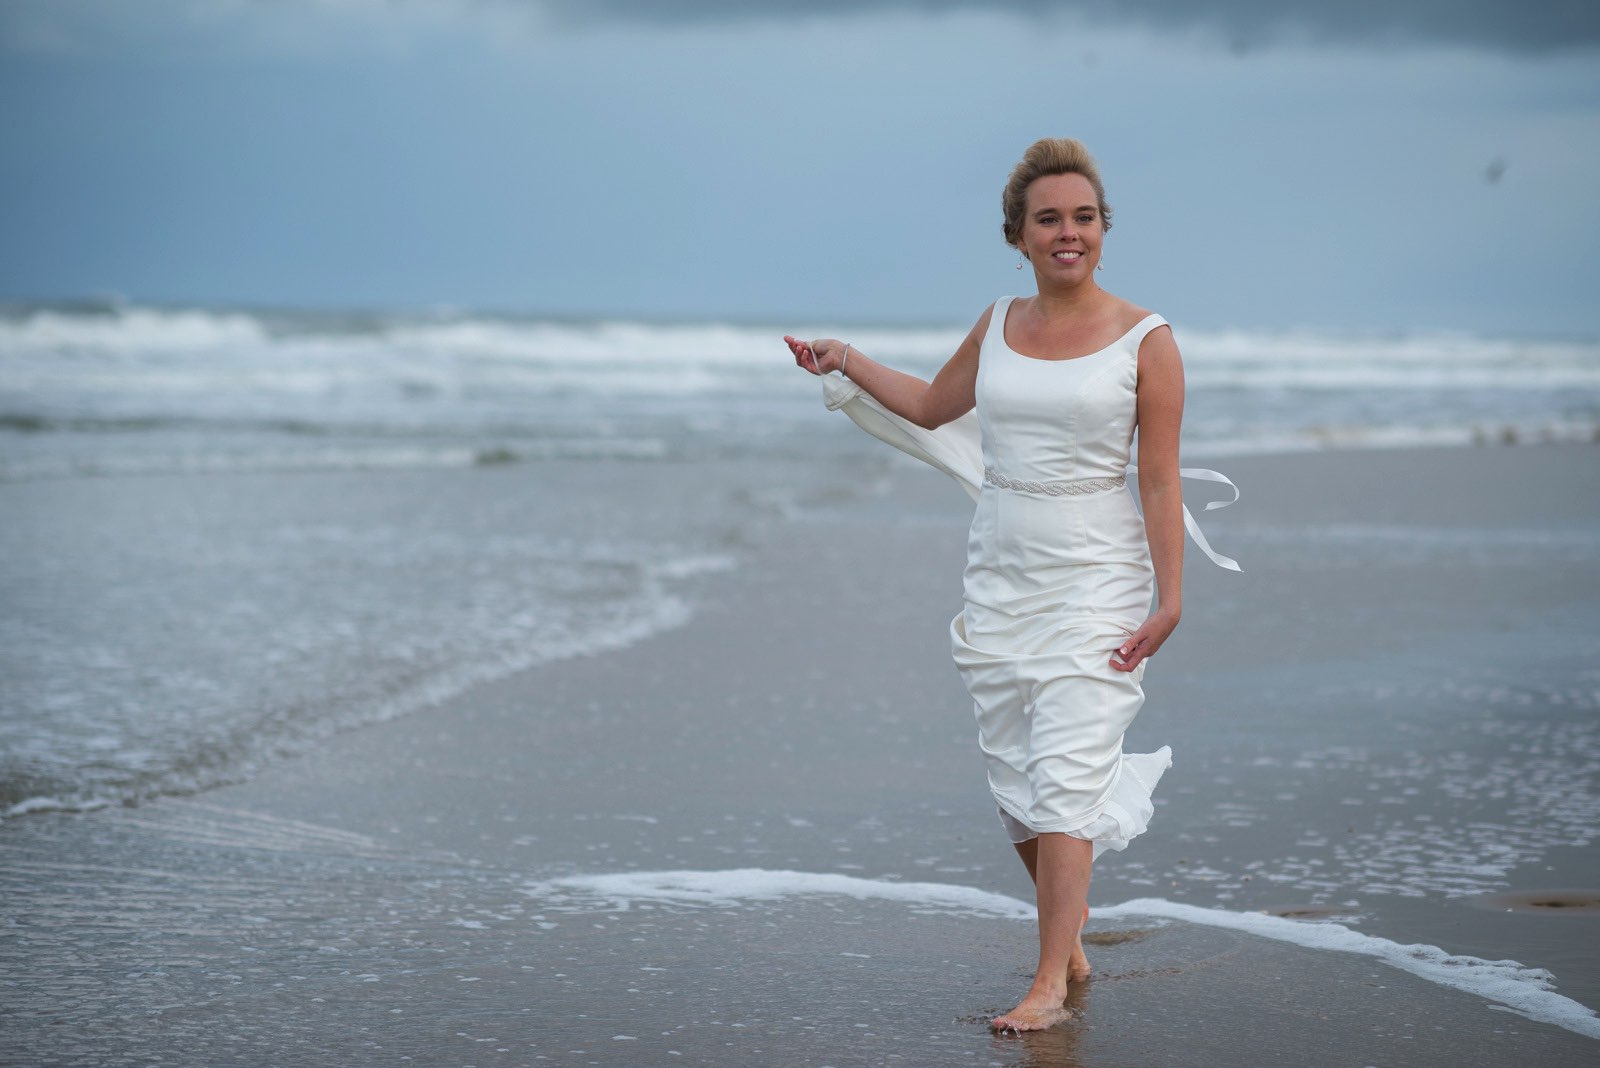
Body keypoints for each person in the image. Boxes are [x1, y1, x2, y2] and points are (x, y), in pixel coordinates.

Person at [782, 137, 1238, 1033]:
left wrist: (1170, 600)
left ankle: (1046, 984)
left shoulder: (1149, 341)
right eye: (1048, 220)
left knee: (1067, 771)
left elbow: (1158, 478)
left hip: (1098, 576)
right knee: (1016, 780)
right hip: (1002, 568)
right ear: (1017, 236)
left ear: (1105, 229)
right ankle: (1067, 939)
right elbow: (929, 406)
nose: (1068, 233)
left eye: (1084, 218)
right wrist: (846, 359)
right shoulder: (997, 323)